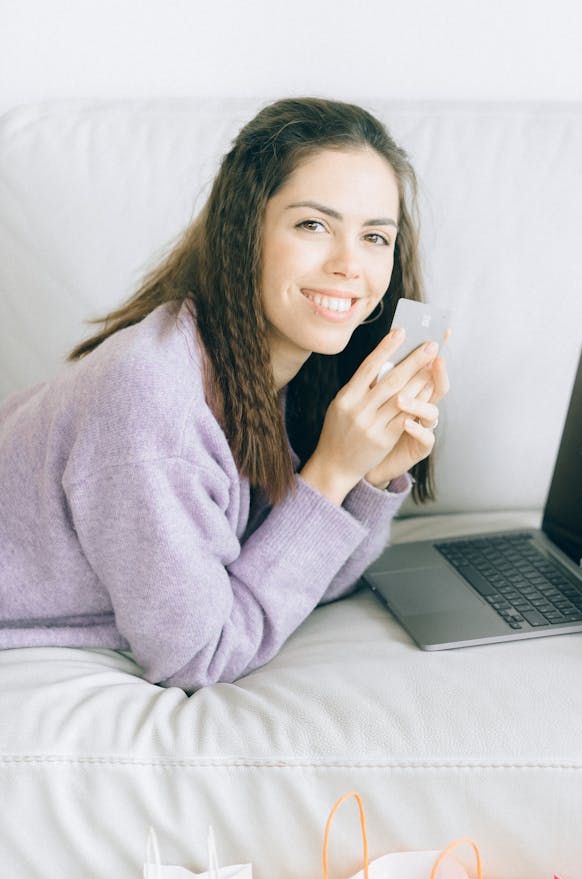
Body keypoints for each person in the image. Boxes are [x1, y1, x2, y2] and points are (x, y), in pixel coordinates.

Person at [0, 97, 449, 691]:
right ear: (244, 231)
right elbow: (199, 656)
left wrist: (367, 481)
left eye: (374, 236)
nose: (350, 264)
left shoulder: (289, 370)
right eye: (313, 225)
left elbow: (303, 585)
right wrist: (332, 473)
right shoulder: (152, 398)